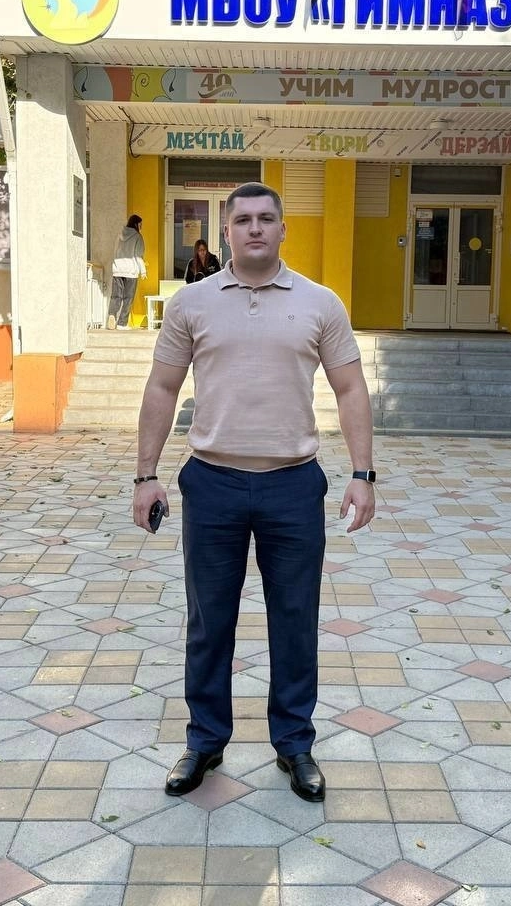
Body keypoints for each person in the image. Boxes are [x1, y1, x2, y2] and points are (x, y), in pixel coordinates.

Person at [132, 181, 375, 804]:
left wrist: (363, 473)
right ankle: (205, 740)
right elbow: (161, 388)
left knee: (295, 620)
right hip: (211, 482)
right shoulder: (192, 303)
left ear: (283, 229)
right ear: (227, 232)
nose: (256, 228)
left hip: (293, 486)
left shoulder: (320, 303)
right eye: (243, 220)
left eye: (267, 218)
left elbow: (351, 389)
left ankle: (294, 743)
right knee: (208, 621)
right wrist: (145, 475)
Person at [108, 214, 146, 329]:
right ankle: (122, 323)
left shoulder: (119, 234)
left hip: (118, 269)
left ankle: (112, 314)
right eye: (140, 224)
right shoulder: (137, 237)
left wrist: (115, 264)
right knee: (128, 298)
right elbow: (138, 255)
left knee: (116, 296)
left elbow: (115, 251)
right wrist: (143, 271)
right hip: (131, 271)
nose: (141, 227)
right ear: (136, 224)